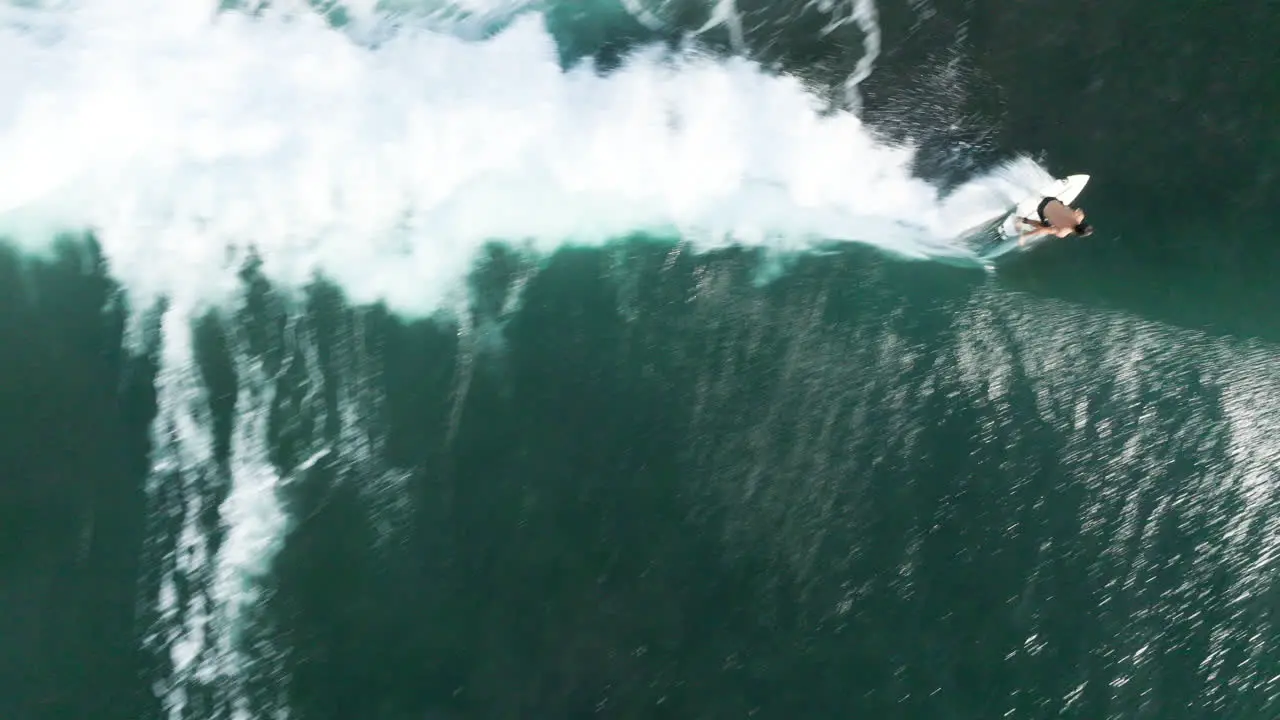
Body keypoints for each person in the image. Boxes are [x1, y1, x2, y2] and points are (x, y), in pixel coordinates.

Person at [1016, 196, 1093, 245]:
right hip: (1041, 208)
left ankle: (1056, 203)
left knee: (1065, 207)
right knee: (1044, 226)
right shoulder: (1062, 232)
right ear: (1077, 233)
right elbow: (1042, 230)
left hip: (1051, 199)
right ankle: (1022, 220)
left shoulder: (1080, 215)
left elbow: (1079, 209)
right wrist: (1025, 236)